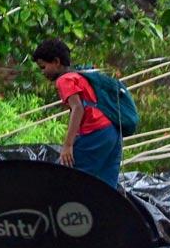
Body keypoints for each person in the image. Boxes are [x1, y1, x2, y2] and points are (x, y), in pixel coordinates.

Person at [31, 38, 122, 188]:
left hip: (95, 132)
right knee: (107, 188)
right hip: (112, 132)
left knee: (69, 180)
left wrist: (67, 145)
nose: (43, 72)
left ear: (56, 61)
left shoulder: (64, 80)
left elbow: (77, 108)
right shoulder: (80, 75)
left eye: (43, 67)